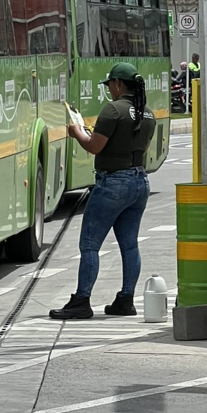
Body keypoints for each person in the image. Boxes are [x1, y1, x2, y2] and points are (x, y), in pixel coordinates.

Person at [51, 62, 156, 320]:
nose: (109, 89)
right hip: (139, 181)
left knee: (89, 244)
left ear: (118, 84)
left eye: (109, 84)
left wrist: (77, 133)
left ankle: (82, 300)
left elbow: (95, 147)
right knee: (129, 245)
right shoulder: (148, 113)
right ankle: (126, 299)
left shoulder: (113, 110)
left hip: (113, 183)